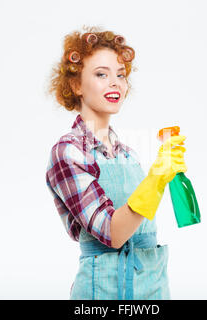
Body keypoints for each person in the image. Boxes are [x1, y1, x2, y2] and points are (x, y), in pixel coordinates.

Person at [45, 25, 187, 300]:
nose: (116, 83)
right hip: (102, 291)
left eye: (121, 75)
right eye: (101, 74)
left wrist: (171, 179)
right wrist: (156, 179)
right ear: (75, 85)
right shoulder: (68, 153)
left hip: (152, 287)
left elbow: (144, 226)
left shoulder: (128, 154)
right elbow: (113, 232)